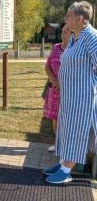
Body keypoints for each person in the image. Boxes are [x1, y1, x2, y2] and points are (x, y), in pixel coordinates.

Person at [43, 1, 97, 184]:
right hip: (68, 97)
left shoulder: (91, 37)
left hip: (82, 98)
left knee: (75, 132)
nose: (65, 19)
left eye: (69, 15)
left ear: (80, 18)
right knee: (65, 130)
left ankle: (66, 171)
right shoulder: (75, 37)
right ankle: (62, 163)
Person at [43, 24, 71, 152]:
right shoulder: (55, 48)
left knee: (67, 118)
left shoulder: (74, 49)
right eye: (62, 31)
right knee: (55, 118)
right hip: (55, 89)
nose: (63, 34)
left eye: (66, 31)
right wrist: (53, 79)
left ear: (73, 34)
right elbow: (47, 66)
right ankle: (57, 143)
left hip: (69, 90)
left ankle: (67, 145)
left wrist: (62, 82)